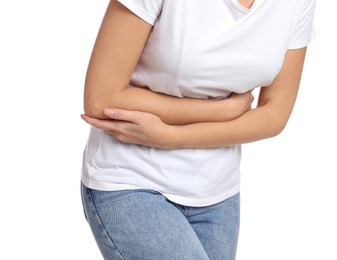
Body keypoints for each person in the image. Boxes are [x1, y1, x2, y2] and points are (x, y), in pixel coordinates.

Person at [80, 0, 316, 259]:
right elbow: (103, 98)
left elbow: (274, 115)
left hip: (217, 194)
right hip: (131, 179)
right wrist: (221, 111)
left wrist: (171, 136)